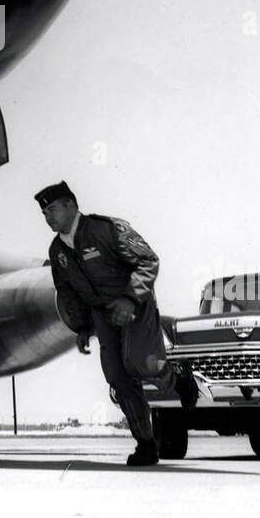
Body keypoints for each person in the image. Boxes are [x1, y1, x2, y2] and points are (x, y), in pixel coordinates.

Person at [37, 181, 167, 466]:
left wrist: (130, 299)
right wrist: (82, 327)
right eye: (44, 213)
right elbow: (68, 292)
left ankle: (177, 375)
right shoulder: (57, 251)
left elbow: (148, 261)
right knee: (118, 378)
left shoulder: (107, 229)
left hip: (135, 304)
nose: (48, 217)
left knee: (141, 364)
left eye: (53, 210)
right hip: (102, 314)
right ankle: (146, 445)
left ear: (71, 205)